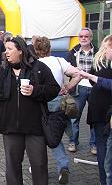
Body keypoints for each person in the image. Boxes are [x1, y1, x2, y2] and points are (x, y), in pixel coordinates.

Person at [0, 36, 60, 185]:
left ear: (20, 51)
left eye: (9, 49)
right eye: (5, 49)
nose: (5, 52)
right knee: (12, 167)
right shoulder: (1, 71)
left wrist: (35, 90)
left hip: (35, 127)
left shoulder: (39, 68)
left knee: (39, 165)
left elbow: (54, 89)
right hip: (10, 127)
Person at [34, 36, 81, 184]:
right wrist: (67, 87)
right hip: (60, 103)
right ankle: (63, 165)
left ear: (35, 50)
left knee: (44, 137)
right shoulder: (59, 61)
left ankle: (40, 167)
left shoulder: (35, 64)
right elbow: (78, 74)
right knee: (56, 136)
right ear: (50, 48)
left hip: (42, 104)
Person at [79, 34, 112, 185]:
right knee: (104, 146)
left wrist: (90, 77)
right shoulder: (102, 63)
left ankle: (103, 180)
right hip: (103, 110)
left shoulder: (98, 63)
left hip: (99, 109)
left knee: (102, 146)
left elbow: (94, 81)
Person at [66, 27, 97, 154]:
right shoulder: (72, 52)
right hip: (78, 87)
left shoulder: (99, 51)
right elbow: (67, 70)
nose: (83, 38)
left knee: (95, 117)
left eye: (86, 36)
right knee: (74, 116)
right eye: (81, 36)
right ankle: (73, 141)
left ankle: (94, 144)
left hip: (95, 88)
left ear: (91, 38)